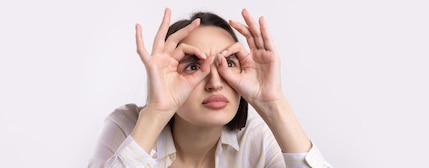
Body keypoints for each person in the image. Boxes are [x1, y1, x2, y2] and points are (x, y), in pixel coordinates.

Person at [88, 8, 332, 168]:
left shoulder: (254, 139)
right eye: (194, 67)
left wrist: (274, 104)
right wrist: (157, 110)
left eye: (229, 64)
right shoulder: (128, 124)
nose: (215, 83)